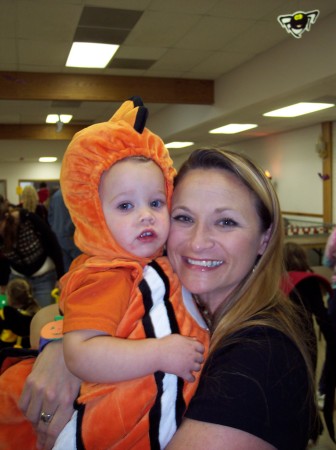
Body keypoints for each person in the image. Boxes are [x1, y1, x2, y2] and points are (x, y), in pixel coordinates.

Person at [0, 148, 317, 450]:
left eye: (226, 222)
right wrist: (66, 349)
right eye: (184, 218)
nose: (198, 241)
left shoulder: (261, 356)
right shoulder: (171, 286)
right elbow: (50, 316)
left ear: (265, 237)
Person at [0, 97, 209, 450]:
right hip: (99, 430)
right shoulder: (107, 273)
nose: (145, 215)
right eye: (125, 205)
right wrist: (159, 353)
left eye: (156, 203)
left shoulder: (152, 265)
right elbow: (82, 353)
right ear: (95, 214)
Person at [282, 241, 336, 441]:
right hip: (306, 342)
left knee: (287, 388)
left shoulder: (274, 281)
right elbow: (321, 317)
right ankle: (308, 428)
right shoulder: (308, 281)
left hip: (283, 342)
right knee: (306, 386)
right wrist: (332, 340)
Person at [0, 197, 65, 307]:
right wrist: (3, 283)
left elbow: (53, 245)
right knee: (17, 317)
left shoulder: (27, 219)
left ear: (5, 218)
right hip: (18, 278)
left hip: (44, 276)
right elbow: (2, 260)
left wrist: (61, 277)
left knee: (43, 314)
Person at [0, 278, 40, 348]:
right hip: (29, 353)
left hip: (8, 352)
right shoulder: (36, 313)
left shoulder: (5, 314)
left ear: (9, 296)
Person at [48, 188, 81, 272]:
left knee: (65, 270)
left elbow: (50, 217)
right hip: (71, 237)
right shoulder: (74, 194)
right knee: (78, 267)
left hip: (58, 237)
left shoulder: (55, 196)